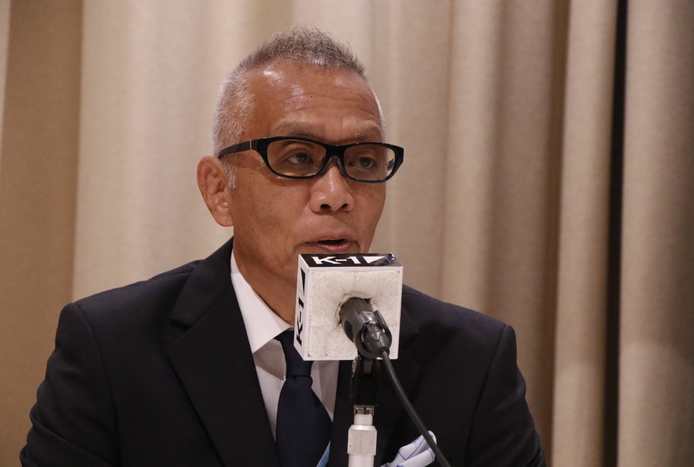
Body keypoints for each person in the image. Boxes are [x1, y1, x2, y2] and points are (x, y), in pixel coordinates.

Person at [21, 27, 545, 467]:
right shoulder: (112, 349)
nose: (336, 195)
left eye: (363, 161)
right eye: (297, 158)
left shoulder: (471, 360)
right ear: (219, 190)